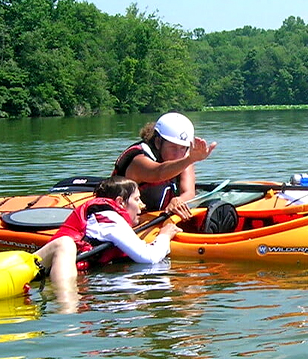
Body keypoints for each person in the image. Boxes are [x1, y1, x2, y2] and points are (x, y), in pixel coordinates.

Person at [34, 176, 180, 312]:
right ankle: (66, 311)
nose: (143, 205)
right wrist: (164, 236)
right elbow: (148, 258)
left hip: (65, 271)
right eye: (137, 199)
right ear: (120, 202)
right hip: (36, 266)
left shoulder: (107, 217)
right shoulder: (107, 217)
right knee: (66, 243)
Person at [112, 112, 217, 220]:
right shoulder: (138, 160)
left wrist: (179, 200)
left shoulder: (184, 157)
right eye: (173, 147)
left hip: (158, 217)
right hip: (129, 218)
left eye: (182, 148)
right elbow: (159, 173)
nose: (178, 154)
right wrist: (190, 159)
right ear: (158, 142)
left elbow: (189, 191)